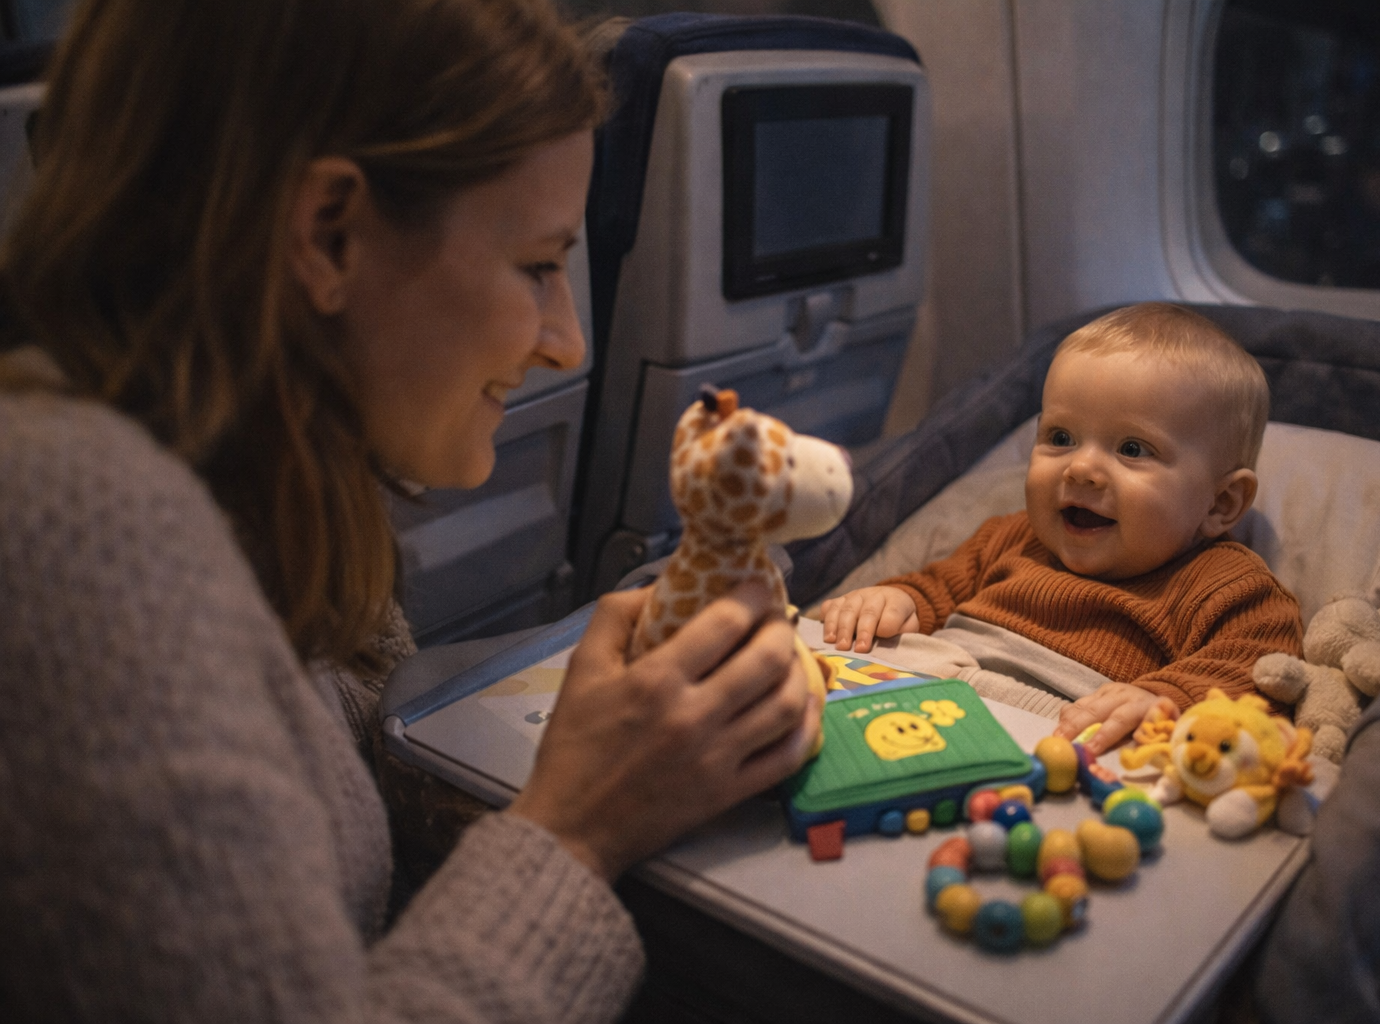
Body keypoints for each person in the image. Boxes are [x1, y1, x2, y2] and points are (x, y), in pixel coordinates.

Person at [0, 1, 816, 1020]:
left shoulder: (281, 512)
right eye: (536, 264)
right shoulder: (84, 540)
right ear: (329, 234)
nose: (566, 341)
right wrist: (577, 828)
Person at [820, 302, 1304, 754]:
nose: (1081, 469)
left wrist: (1165, 699)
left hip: (1062, 720)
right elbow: (935, 591)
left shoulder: (1226, 584)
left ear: (1221, 503)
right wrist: (896, 602)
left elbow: (1258, 669)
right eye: (1061, 438)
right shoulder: (1010, 537)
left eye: (1132, 449)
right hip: (937, 683)